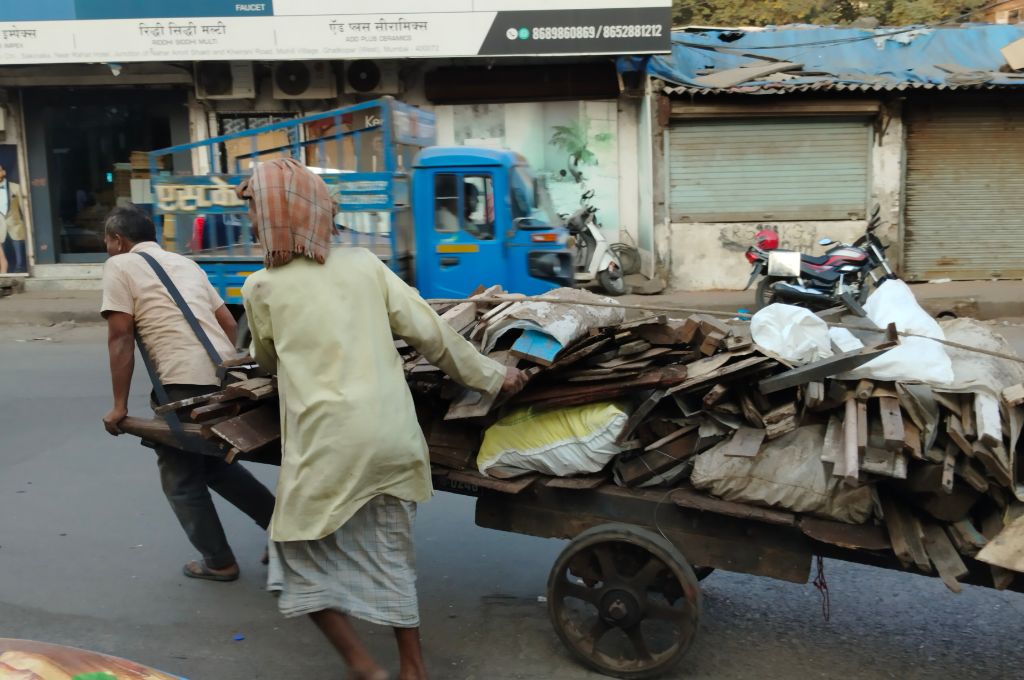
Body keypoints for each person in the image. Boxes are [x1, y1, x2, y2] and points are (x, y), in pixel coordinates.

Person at [238, 158, 527, 680]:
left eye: (257, 212)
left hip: (327, 446)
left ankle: (363, 667)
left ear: (280, 217)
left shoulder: (261, 287)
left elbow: (265, 360)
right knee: (390, 555)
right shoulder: (366, 265)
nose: (254, 225)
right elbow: (432, 335)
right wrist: (493, 376)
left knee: (291, 556)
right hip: (393, 439)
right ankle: (412, 669)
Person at [99, 205, 276, 582]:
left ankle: (219, 561)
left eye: (107, 240)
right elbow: (227, 322)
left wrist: (119, 406)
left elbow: (120, 336)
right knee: (214, 465)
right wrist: (213, 367)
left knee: (180, 479)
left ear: (117, 240)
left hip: (180, 385)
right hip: (222, 378)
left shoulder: (119, 266)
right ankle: (285, 535)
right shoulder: (185, 264)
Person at [0, 163, 26, 274]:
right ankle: (5, 268)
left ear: (4, 172)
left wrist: (26, 221)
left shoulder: (15, 187)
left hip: (15, 222)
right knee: (2, 248)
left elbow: (23, 207)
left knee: (18, 245)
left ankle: (20, 266)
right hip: (0, 224)